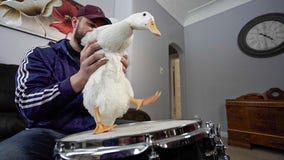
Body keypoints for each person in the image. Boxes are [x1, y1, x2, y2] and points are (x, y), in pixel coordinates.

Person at [0, 4, 129, 160]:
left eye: (101, 30)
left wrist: (117, 79)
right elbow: (27, 103)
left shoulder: (104, 61)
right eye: (91, 25)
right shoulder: (41, 55)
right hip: (50, 133)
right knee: (8, 154)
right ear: (74, 23)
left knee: (148, 139)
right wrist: (81, 77)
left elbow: (106, 107)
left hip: (96, 130)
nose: (96, 33)